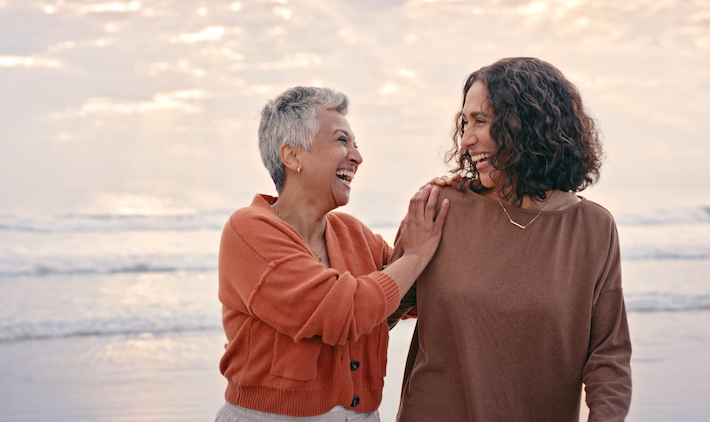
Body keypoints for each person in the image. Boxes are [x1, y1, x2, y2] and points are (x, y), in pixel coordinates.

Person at [389, 57, 632, 421]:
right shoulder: (441, 207)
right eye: (465, 122)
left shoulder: (593, 228)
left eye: (481, 121)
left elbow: (608, 355)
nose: (466, 140)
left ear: (529, 125)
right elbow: (379, 313)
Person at [216, 86, 449, 421]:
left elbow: (420, 293)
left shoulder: (353, 233)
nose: (357, 157)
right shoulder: (249, 230)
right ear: (292, 156)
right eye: (342, 141)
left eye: (356, 144)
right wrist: (413, 256)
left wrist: (447, 204)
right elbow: (341, 312)